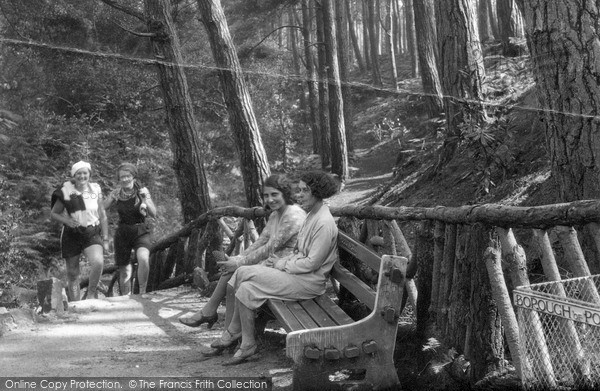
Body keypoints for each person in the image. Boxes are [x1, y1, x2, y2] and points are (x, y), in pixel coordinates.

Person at [208, 171, 340, 365]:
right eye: (299, 190)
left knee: (242, 271)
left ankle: (233, 331)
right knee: (246, 288)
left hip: (309, 283)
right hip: (297, 275)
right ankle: (247, 344)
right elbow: (298, 251)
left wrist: (281, 264)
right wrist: (278, 263)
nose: (300, 194)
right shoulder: (313, 215)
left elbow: (312, 263)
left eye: (305, 190)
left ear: (318, 192)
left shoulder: (323, 222)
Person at [179, 174, 307, 328]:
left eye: (274, 194)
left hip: (287, 268)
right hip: (273, 264)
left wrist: (239, 262)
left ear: (285, 193)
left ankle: (219, 323)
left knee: (235, 277)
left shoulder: (293, 215)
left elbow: (270, 247)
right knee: (232, 274)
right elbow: (261, 241)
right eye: (266, 196)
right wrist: (238, 258)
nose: (270, 199)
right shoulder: (275, 214)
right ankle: (220, 323)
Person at [50, 161, 109, 301]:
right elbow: (54, 213)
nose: (82, 176)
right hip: (72, 233)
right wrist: (67, 221)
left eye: (85, 173)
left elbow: (102, 214)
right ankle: (76, 303)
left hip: (91, 231)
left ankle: (90, 294)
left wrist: (106, 238)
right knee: (72, 272)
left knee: (98, 262)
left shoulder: (95, 189)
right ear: (74, 175)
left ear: (89, 174)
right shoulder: (65, 192)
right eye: (79, 173)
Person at [104, 163, 157, 295]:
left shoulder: (143, 191)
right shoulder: (116, 194)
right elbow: (101, 208)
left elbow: (153, 213)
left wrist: (146, 199)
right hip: (123, 232)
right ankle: (125, 298)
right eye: (122, 177)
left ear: (133, 177)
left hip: (141, 230)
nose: (125, 179)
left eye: (128, 176)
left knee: (143, 258)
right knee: (125, 269)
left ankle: (143, 292)